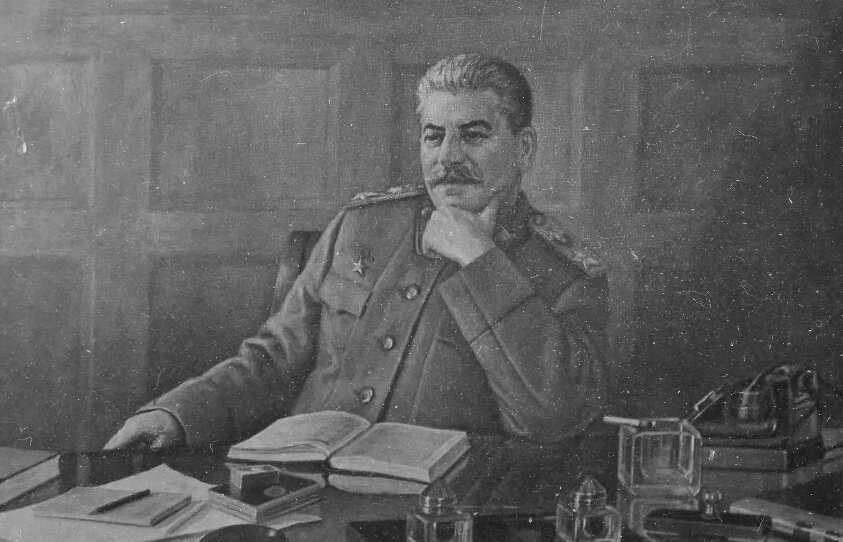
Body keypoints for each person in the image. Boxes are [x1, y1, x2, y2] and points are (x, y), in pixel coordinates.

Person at [105, 54, 609, 451]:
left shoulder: (567, 274)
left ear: (524, 148)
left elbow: (553, 419)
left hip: (435, 514)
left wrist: (480, 258)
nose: (448, 157)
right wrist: (177, 413)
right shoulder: (362, 225)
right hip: (300, 483)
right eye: (434, 136)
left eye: (474, 136)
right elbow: (274, 359)